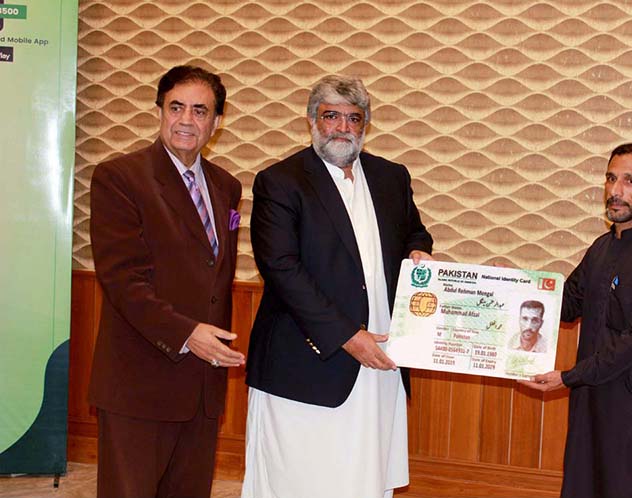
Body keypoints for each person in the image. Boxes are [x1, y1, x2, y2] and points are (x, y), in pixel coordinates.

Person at [243, 75, 434, 498]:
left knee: (365, 478)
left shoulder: (391, 177)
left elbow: (415, 233)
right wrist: (348, 337)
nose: (343, 127)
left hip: (381, 358)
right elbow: (281, 269)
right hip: (307, 364)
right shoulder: (280, 181)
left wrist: (420, 253)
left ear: (365, 126)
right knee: (298, 479)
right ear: (312, 120)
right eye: (331, 116)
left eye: (354, 118)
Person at [88, 65, 245, 498]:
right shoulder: (121, 178)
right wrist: (187, 333)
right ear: (159, 112)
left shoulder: (226, 187)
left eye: (200, 111)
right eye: (176, 107)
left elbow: (213, 278)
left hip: (202, 387)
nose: (186, 120)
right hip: (140, 383)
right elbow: (122, 280)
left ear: (216, 123)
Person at [521, 143, 632, 498]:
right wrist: (513, 287)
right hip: (591, 402)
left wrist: (569, 377)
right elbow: (565, 305)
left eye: (630, 181)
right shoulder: (601, 248)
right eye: (611, 179)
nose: (616, 191)